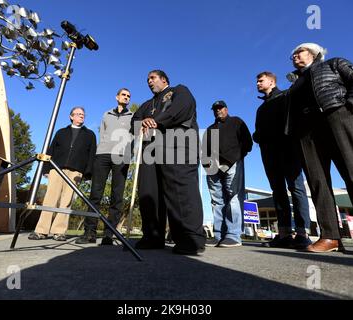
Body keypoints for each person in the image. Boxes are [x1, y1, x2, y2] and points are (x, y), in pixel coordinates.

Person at [287, 42, 353, 255]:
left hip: (336, 115)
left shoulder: (334, 63)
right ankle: (330, 237)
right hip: (306, 129)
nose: (294, 56)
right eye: (293, 55)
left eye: (299, 51)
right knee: (317, 181)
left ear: (314, 53)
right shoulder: (296, 83)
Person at [131, 69, 206, 255]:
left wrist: (156, 121)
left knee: (179, 189)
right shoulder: (147, 104)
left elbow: (181, 109)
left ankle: (190, 237)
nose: (149, 81)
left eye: (152, 78)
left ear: (164, 80)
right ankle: (152, 236)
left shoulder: (179, 91)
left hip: (178, 143)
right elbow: (135, 120)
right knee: (149, 191)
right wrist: (142, 123)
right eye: (147, 79)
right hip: (151, 149)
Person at [253, 72, 312, 249]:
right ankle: (284, 233)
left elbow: (295, 119)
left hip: (288, 148)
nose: (257, 83)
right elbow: (259, 129)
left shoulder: (286, 96)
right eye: (257, 81)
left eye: (260, 80)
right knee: (277, 190)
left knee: (296, 187)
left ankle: (302, 233)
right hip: (268, 152)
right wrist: (258, 136)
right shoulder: (261, 108)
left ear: (271, 81)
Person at [29, 107, 96, 241]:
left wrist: (88, 174)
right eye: (78, 114)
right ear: (71, 116)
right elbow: (51, 149)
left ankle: (59, 232)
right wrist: (46, 169)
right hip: (56, 168)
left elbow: (91, 155)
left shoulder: (90, 134)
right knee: (50, 199)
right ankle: (41, 231)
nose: (81, 116)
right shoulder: (61, 132)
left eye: (83, 114)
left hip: (76, 171)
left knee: (66, 202)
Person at [76, 89, 133, 245]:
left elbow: (134, 136)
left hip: (121, 156)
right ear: (117, 97)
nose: (126, 98)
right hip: (103, 154)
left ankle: (109, 233)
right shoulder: (106, 114)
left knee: (117, 196)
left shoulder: (133, 116)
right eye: (124, 95)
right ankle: (89, 233)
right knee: (95, 193)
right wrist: (102, 149)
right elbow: (103, 133)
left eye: (128, 96)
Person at [202, 100, 252, 247]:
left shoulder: (236, 122)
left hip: (232, 165)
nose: (218, 110)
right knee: (217, 201)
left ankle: (233, 235)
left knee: (234, 197)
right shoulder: (210, 129)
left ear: (226, 108)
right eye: (215, 109)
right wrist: (207, 164)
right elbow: (204, 150)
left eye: (220, 108)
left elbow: (247, 144)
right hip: (213, 169)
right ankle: (219, 235)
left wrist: (233, 159)